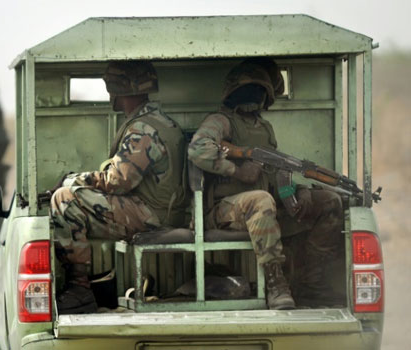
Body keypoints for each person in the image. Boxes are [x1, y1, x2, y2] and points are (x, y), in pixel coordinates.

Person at [187, 58, 344, 310]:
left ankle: (311, 283)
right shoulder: (221, 121)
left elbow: (273, 174)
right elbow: (197, 149)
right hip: (223, 211)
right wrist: (238, 170)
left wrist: (299, 190)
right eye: (247, 90)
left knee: (329, 202)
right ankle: (276, 284)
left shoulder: (265, 128)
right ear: (232, 94)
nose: (253, 96)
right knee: (261, 199)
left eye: (259, 91)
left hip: (263, 206)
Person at [50, 60, 188, 314]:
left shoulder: (143, 128)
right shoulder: (161, 122)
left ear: (119, 89)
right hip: (165, 210)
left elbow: (119, 180)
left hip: (152, 215)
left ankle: (80, 289)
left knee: (64, 200)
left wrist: (74, 179)